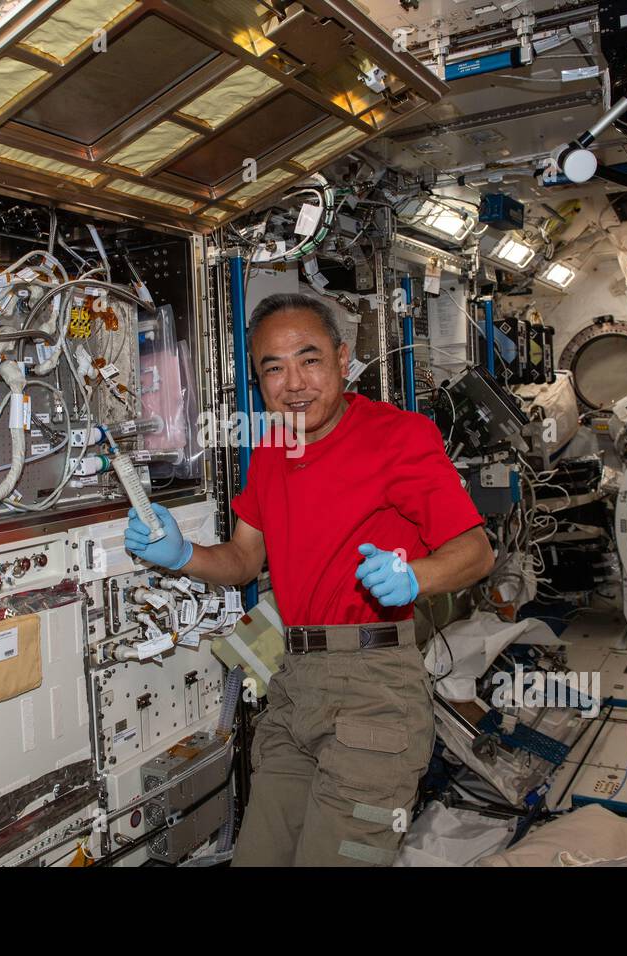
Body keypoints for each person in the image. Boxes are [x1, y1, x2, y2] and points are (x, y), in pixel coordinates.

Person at [124, 292, 493, 866]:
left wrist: (414, 576)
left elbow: (476, 551)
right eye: (273, 367)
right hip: (293, 684)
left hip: (374, 690)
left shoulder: (399, 436)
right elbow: (244, 561)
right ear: (257, 379)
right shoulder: (272, 448)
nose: (293, 382)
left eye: (310, 358)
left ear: (344, 360)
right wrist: (180, 554)